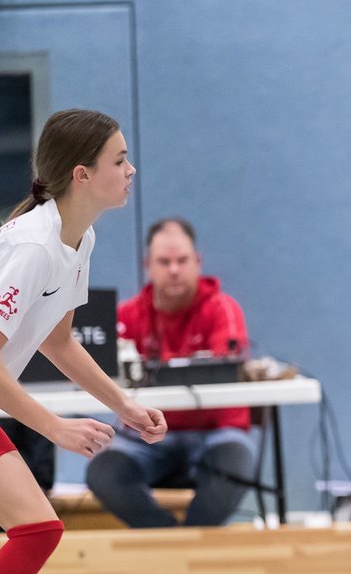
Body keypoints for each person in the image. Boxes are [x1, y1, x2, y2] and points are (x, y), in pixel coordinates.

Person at [0, 110, 167, 574]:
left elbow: (59, 341)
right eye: (119, 159)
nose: (130, 169)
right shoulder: (32, 247)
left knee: (36, 531)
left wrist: (121, 405)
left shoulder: (78, 240)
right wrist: (56, 429)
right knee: (37, 530)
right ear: (82, 173)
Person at [85, 217, 256, 528]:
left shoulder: (223, 310)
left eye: (182, 261)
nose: (174, 270)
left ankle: (192, 544)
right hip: (144, 436)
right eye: (165, 262)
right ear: (148, 264)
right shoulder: (125, 316)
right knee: (102, 470)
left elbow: (227, 369)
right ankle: (167, 538)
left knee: (238, 457)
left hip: (214, 433)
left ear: (198, 262)